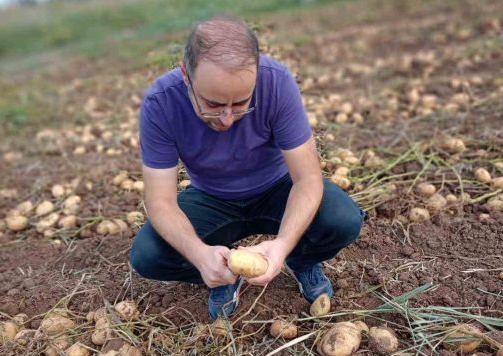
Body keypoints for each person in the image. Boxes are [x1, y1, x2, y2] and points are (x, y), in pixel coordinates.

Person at [130, 15, 364, 320]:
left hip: (276, 188)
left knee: (342, 219)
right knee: (148, 255)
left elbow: (307, 178)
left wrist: (282, 245)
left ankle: (301, 259)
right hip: (211, 198)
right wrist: (200, 256)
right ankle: (220, 275)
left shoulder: (276, 82)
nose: (227, 119)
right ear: (186, 75)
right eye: (213, 104)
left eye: (241, 103)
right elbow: (160, 202)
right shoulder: (160, 104)